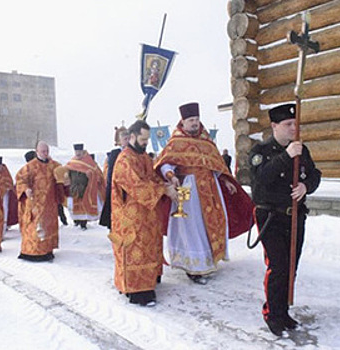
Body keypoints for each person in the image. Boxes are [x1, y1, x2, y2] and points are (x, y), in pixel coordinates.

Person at [154, 102, 253, 285]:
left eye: (197, 120)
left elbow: (215, 165)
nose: (195, 123)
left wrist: (225, 181)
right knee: (192, 228)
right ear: (183, 122)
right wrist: (171, 176)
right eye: (191, 120)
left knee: (212, 225)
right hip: (188, 191)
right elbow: (165, 164)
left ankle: (208, 260)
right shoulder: (175, 142)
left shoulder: (207, 142)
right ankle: (194, 267)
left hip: (210, 189)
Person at [249, 103, 321, 336]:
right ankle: (271, 313)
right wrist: (286, 156)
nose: (293, 128)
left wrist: (305, 186)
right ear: (274, 126)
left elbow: (315, 174)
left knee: (291, 267)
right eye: (288, 124)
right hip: (270, 216)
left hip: (295, 216)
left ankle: (283, 312)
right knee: (278, 266)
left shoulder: (302, 150)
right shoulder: (261, 152)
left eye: (295, 124)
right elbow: (260, 180)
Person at [109, 120, 177, 307]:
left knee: (150, 248)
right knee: (136, 251)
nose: (146, 142)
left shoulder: (144, 157)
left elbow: (152, 178)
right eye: (143, 139)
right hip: (131, 218)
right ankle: (138, 291)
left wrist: (168, 183)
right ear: (132, 137)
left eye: (148, 139)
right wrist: (163, 190)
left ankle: (149, 281)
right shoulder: (125, 160)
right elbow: (137, 186)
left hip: (148, 214)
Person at [15, 141, 62, 261]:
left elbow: (62, 178)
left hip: (49, 203)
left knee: (48, 227)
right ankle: (32, 252)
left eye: (47, 151)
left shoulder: (54, 165)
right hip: (35, 202)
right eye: (43, 151)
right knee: (34, 228)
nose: (45, 153)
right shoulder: (30, 166)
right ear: (37, 152)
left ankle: (47, 251)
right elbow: (20, 179)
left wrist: (65, 181)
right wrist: (26, 189)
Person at [65, 144, 106, 230]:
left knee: (84, 206)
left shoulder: (89, 161)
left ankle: (83, 223)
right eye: (76, 151)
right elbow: (67, 171)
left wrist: (91, 175)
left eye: (79, 151)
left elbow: (97, 173)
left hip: (85, 187)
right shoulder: (72, 161)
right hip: (74, 187)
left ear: (82, 151)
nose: (78, 153)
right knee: (75, 205)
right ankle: (76, 221)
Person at [99, 126, 129, 230]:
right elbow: (111, 173)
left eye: (129, 138)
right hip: (116, 188)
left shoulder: (136, 153)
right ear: (120, 141)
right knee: (115, 218)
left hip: (130, 190)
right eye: (125, 139)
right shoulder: (115, 153)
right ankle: (115, 241)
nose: (128, 141)